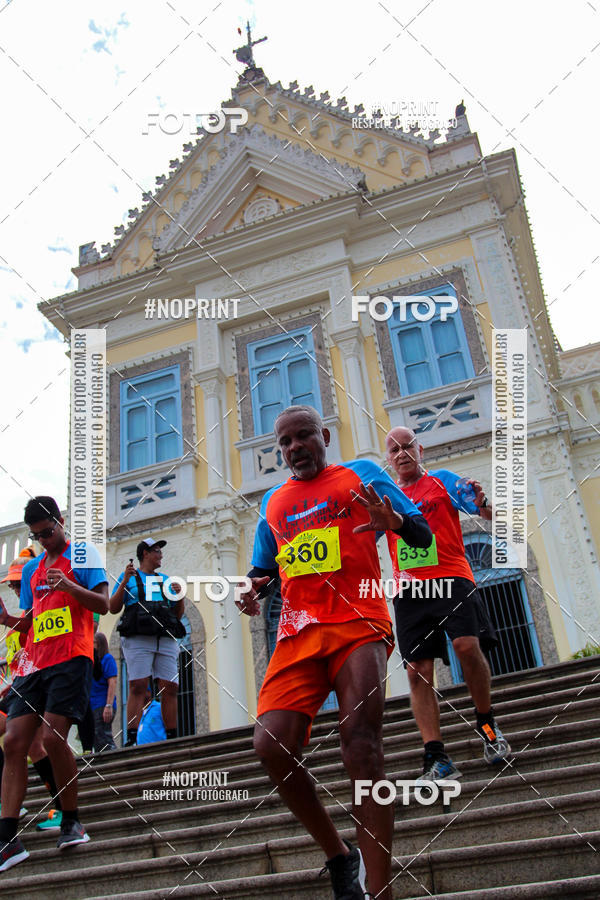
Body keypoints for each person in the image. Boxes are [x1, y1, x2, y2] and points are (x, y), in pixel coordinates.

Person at [238, 405, 432, 900]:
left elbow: (421, 535)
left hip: (357, 622)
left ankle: (379, 889)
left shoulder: (361, 474)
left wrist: (394, 521)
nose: (294, 447)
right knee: (270, 743)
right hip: (297, 633)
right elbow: (265, 570)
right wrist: (252, 589)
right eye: (285, 442)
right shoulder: (274, 504)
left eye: (303, 436)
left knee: (360, 744)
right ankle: (339, 856)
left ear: (324, 435)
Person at [384, 426, 510, 784]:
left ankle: (487, 724)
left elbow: (488, 514)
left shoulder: (443, 481)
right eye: (394, 450)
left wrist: (484, 501)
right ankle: (436, 758)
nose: (402, 453)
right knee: (416, 671)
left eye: (407, 446)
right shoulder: (388, 496)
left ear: (419, 450)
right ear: (388, 458)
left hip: (452, 577)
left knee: (466, 646)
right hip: (409, 590)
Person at [0, 496, 108, 872]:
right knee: (14, 741)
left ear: (61, 521)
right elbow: (30, 623)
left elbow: (105, 605)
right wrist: (6, 619)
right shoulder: (31, 571)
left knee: (50, 738)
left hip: (72, 655)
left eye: (48, 532)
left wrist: (69, 586)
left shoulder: (83, 555)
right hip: (34, 662)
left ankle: (71, 819)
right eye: (37, 536)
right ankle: (8, 838)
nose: (45, 540)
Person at [0, 551, 63, 832]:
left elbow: (41, 640)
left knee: (41, 744)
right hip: (23, 685)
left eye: (17, 583)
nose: (14, 588)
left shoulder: (40, 606)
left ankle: (12, 803)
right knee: (36, 747)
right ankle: (55, 808)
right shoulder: (24, 612)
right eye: (11, 584)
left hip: (38, 685)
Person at [110, 537, 183, 746]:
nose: (161, 555)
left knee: (170, 686)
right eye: (157, 551)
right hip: (137, 637)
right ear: (145, 554)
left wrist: (179, 597)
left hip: (164, 637)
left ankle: (172, 737)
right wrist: (124, 581)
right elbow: (112, 607)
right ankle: (132, 738)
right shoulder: (130, 578)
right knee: (138, 685)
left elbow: (177, 615)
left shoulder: (166, 580)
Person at [90, 632, 117, 752]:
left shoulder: (107, 659)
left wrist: (108, 705)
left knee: (103, 737)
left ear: (100, 644)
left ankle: (114, 761)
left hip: (102, 703)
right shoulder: (92, 662)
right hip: (93, 704)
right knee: (96, 738)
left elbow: (112, 682)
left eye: (93, 642)